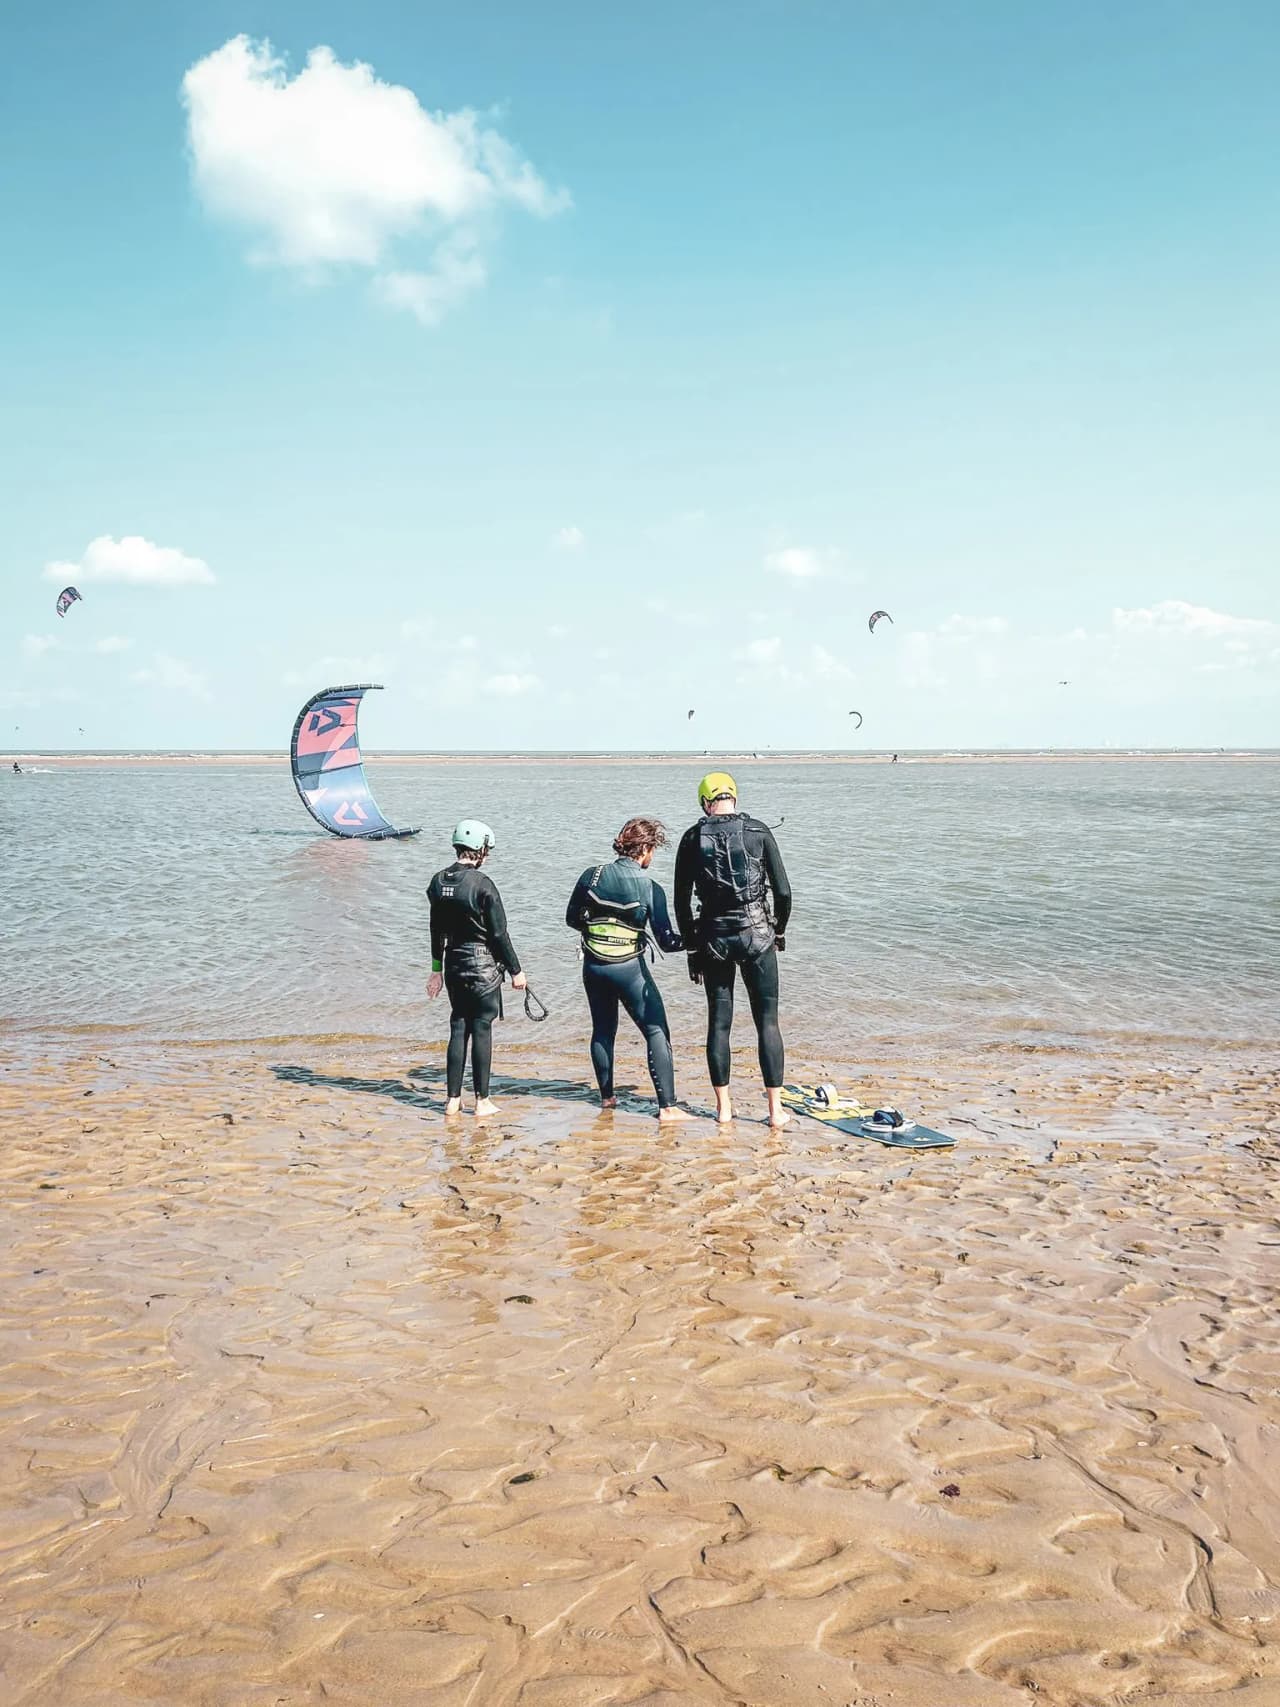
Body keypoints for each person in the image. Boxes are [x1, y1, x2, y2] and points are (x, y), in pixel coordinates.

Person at [674, 772, 792, 1126]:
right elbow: (784, 892)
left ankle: (724, 1109)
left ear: (704, 803)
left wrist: (692, 949)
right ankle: (775, 1112)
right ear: (734, 799)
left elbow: (680, 903)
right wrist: (778, 931)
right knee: (767, 1023)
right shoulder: (758, 831)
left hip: (713, 940)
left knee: (719, 1023)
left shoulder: (692, 837)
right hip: (758, 935)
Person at [566, 817, 688, 1123]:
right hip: (629, 970)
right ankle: (668, 1108)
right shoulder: (650, 887)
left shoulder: (591, 876)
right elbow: (668, 941)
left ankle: (607, 1098)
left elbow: (572, 919)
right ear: (646, 848)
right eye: (652, 851)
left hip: (594, 966)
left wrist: (599, 927)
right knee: (656, 1030)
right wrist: (698, 935)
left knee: (603, 1030)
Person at [427, 820, 526, 1117]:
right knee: (481, 1028)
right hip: (483, 969)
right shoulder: (483, 884)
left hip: (454, 964)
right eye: (487, 850)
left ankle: (452, 1100)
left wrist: (436, 970)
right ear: (480, 850)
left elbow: (435, 930)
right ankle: (482, 1101)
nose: (488, 856)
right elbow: (498, 935)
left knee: (458, 1026)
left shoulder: (437, 881)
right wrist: (516, 970)